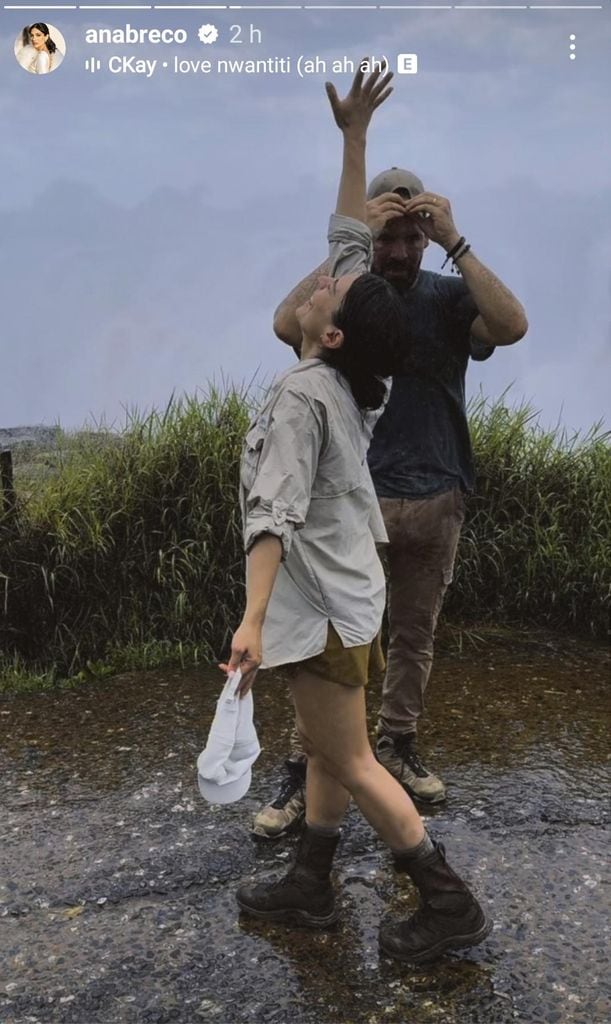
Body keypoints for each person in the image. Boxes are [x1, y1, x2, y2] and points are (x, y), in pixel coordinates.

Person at [225, 67, 492, 964]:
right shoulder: (350, 378)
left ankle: (447, 902)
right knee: (336, 755)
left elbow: (273, 512)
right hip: (354, 596)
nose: (319, 285)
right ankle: (311, 879)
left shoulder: (304, 394)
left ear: (329, 332)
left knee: (353, 760)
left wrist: (252, 620)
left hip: (319, 608)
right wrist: (353, 140)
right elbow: (347, 248)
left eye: (328, 293)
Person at [253, 124, 528, 842]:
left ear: (425, 237)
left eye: (412, 237)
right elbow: (287, 323)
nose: (401, 251)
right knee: (326, 642)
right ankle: (301, 767)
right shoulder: (348, 301)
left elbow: (512, 325)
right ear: (372, 240)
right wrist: (347, 242)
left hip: (436, 493)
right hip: (355, 503)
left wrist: (456, 241)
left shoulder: (446, 296)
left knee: (413, 637)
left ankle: (398, 746)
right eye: (389, 237)